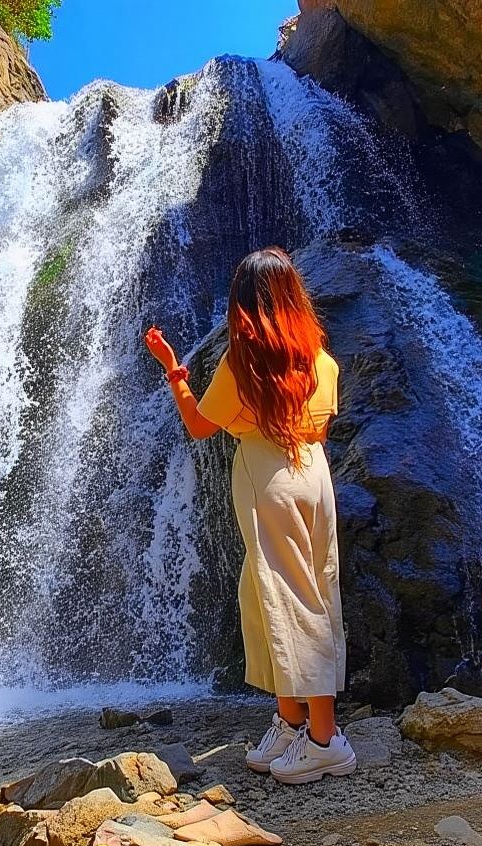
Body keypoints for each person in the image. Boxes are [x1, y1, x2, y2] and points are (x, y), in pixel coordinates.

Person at [143, 246, 354, 785]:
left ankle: (325, 740)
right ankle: (291, 723)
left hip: (269, 478)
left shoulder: (243, 365)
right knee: (286, 590)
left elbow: (199, 426)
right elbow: (319, 430)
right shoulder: (321, 361)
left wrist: (174, 372)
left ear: (246, 304)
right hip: (313, 474)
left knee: (289, 596)